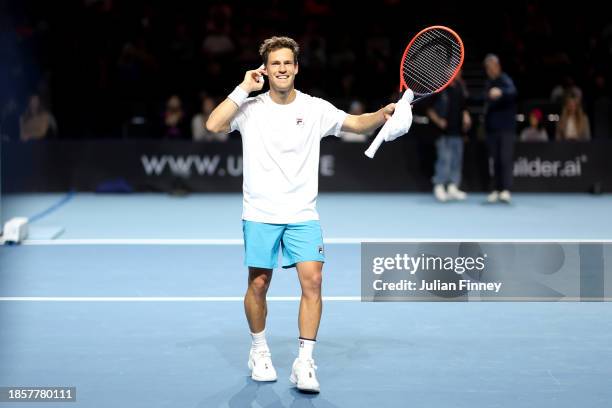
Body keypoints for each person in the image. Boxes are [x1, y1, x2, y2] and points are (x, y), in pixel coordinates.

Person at [206, 36, 399, 393]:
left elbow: (356, 124)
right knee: (259, 284)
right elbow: (213, 126)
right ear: (266, 68)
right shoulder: (250, 108)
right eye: (274, 63)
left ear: (296, 67)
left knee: (313, 281)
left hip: (302, 214)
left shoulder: (315, 109)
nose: (281, 69)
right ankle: (259, 351)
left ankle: (304, 361)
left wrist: (383, 114)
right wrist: (242, 88)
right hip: (261, 212)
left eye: (287, 63)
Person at [427, 73, 471, 202]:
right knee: (444, 160)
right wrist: (439, 121)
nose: (458, 72)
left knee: (456, 160)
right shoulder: (439, 87)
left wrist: (466, 115)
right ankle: (439, 186)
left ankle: (452, 187)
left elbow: (464, 106)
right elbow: (429, 110)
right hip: (442, 132)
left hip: (457, 131)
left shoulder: (461, 87)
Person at [483, 54, 517, 204]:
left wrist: (501, 92)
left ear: (497, 66)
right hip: (492, 129)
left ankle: (505, 190)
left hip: (506, 129)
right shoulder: (489, 82)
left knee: (505, 159)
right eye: (487, 68)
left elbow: (513, 91)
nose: (489, 70)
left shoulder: (505, 79)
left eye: (491, 67)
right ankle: (496, 190)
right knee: (495, 161)